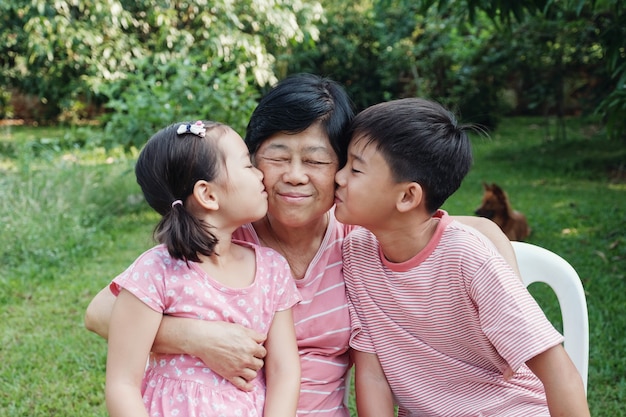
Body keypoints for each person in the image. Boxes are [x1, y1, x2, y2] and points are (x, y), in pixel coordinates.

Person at [85, 74, 521, 417]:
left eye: (315, 160)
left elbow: (479, 232)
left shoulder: (362, 239)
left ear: (345, 168)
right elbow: (101, 312)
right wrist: (197, 337)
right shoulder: (222, 239)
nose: (295, 175)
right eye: (277, 157)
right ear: (251, 163)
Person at [334, 98, 590, 417]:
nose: (339, 178)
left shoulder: (468, 258)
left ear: (407, 196)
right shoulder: (356, 253)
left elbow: (557, 370)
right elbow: (372, 375)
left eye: (355, 169)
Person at [104, 120, 301, 417]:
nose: (260, 174)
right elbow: (122, 384)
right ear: (208, 195)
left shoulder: (272, 269)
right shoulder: (156, 272)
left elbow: (284, 371)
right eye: (247, 165)